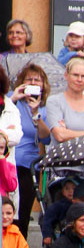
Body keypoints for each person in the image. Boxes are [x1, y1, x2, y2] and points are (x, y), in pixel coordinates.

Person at [9, 64, 51, 236]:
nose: (33, 82)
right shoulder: (10, 100)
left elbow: (46, 138)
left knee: (22, 215)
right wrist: (12, 99)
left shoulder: (45, 107)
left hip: (27, 166)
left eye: (37, 80)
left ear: (43, 85)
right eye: (29, 79)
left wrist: (36, 115)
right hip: (7, 162)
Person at [45, 56, 84, 149]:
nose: (79, 79)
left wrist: (69, 133)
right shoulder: (54, 101)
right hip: (62, 160)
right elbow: (60, 136)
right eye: (75, 75)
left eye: (83, 76)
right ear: (66, 75)